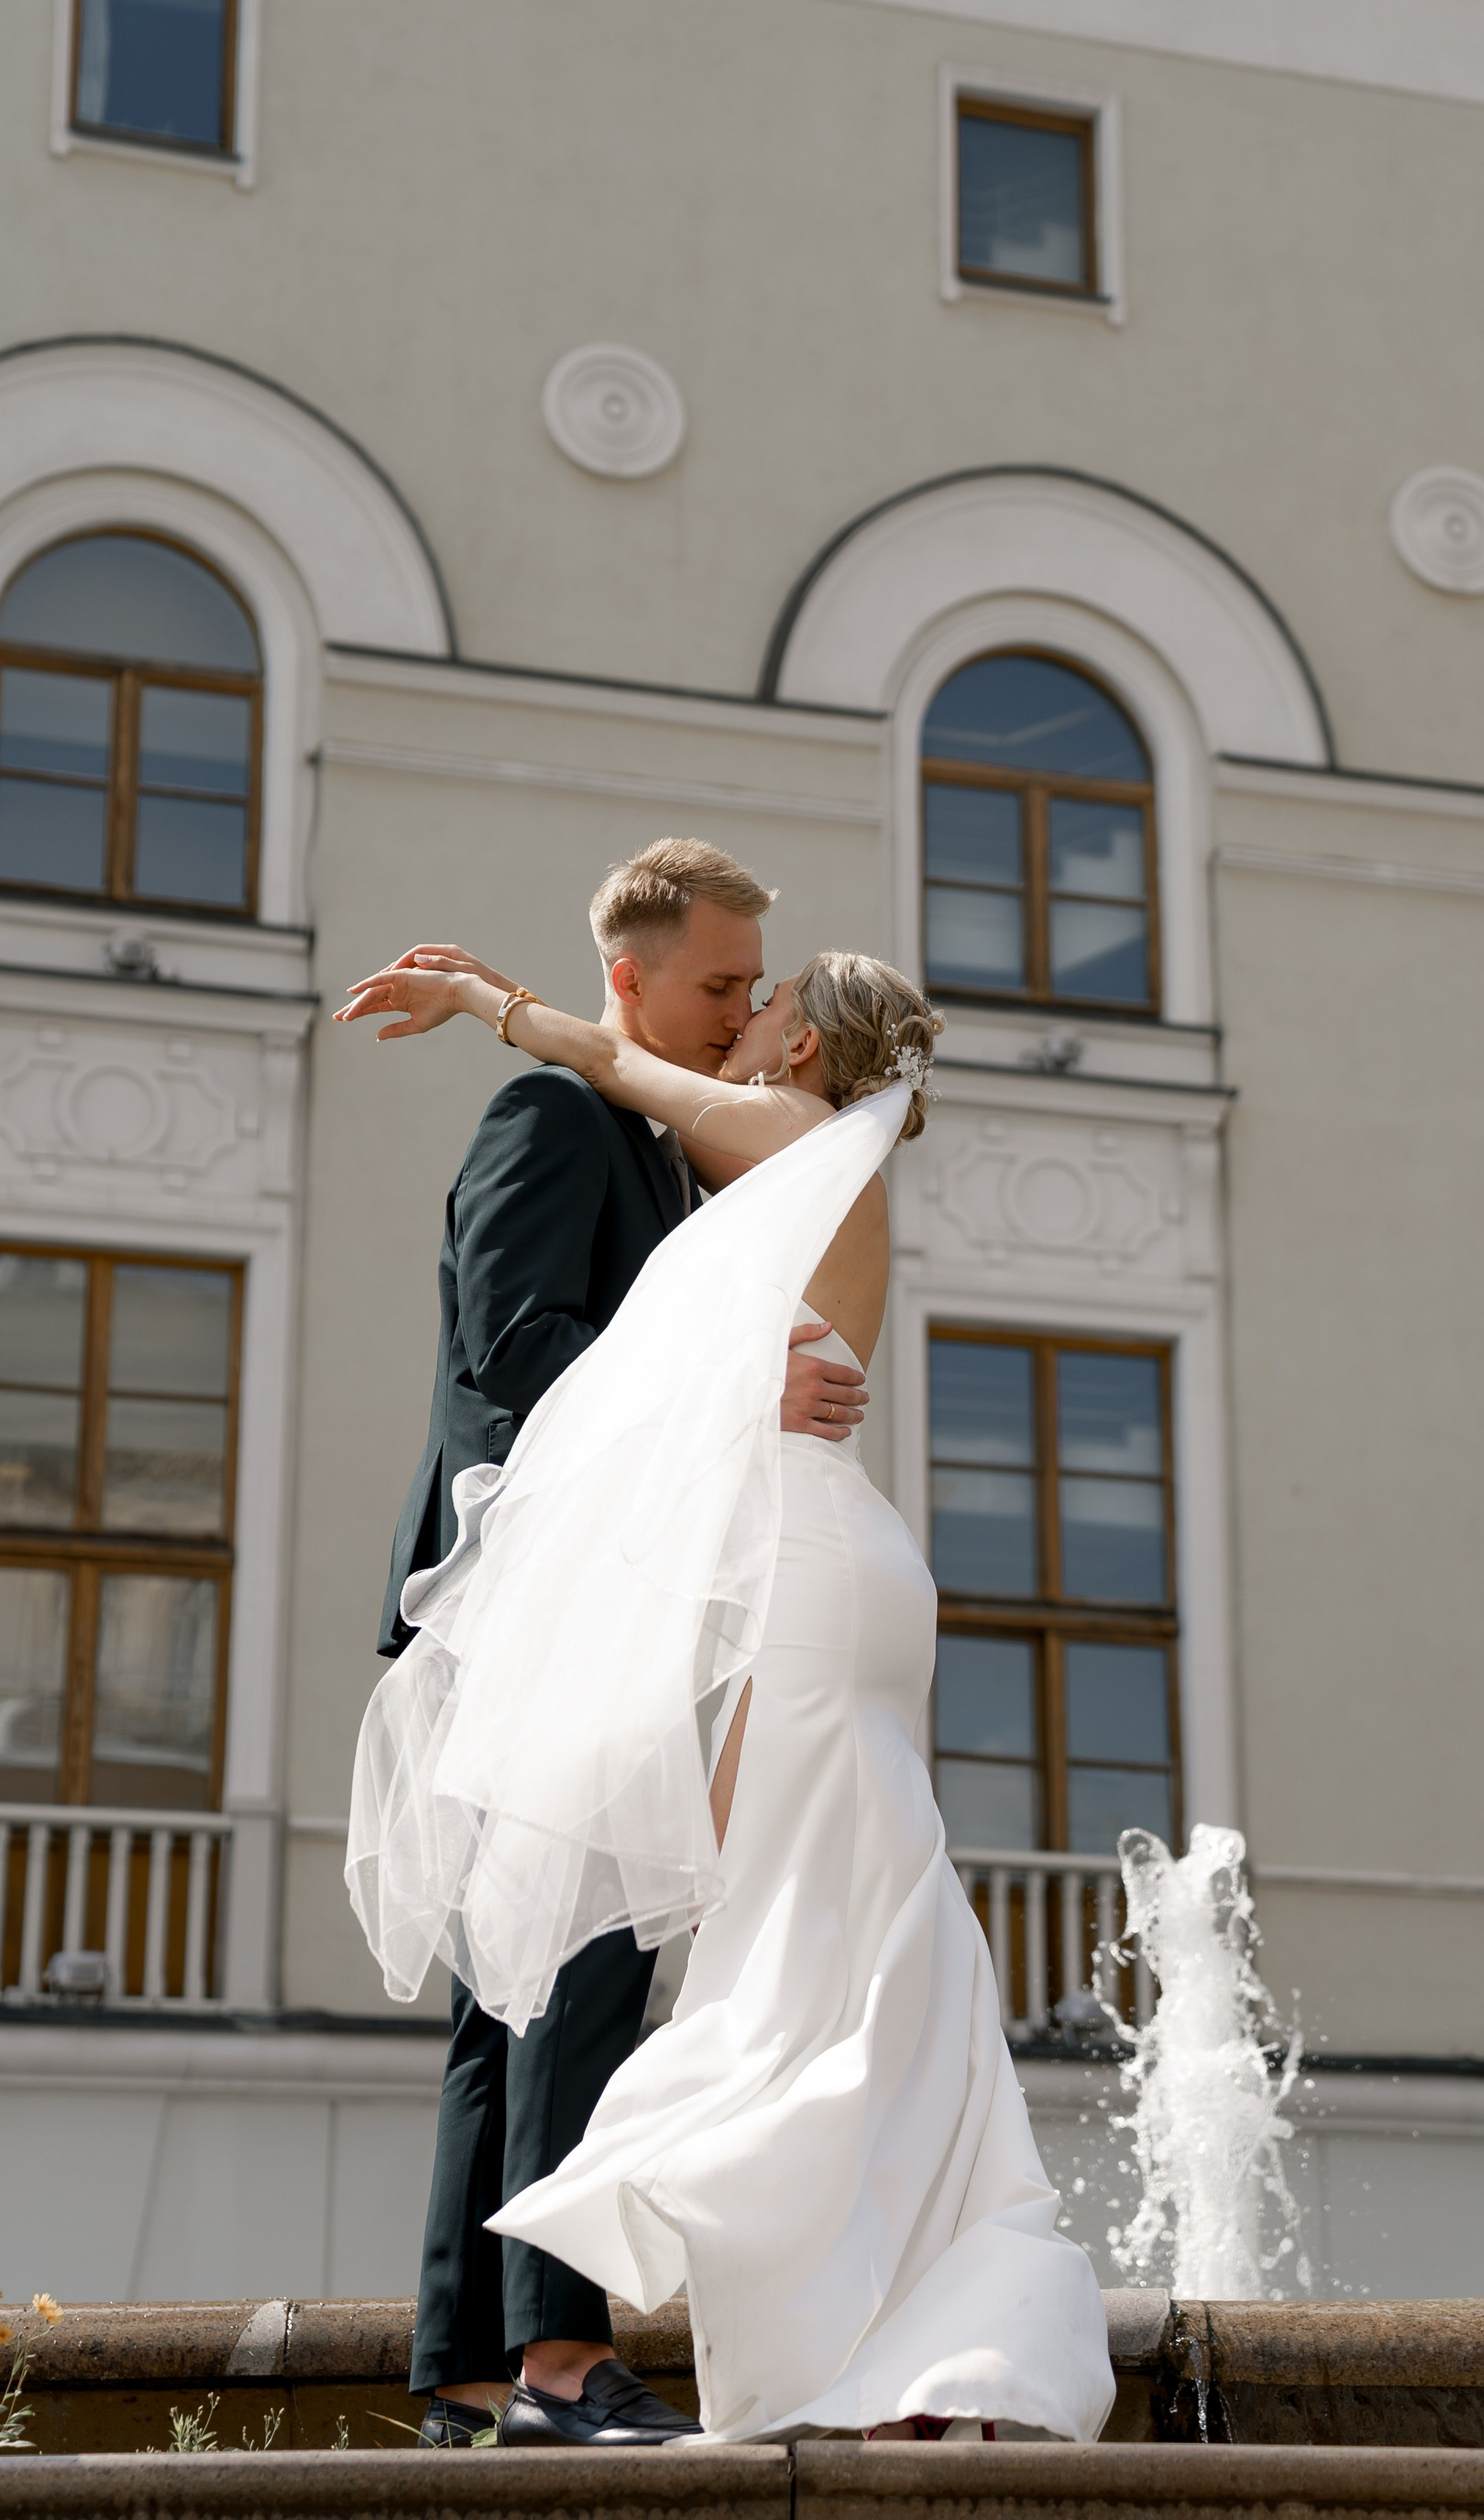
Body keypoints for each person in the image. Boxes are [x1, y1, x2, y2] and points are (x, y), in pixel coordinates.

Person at [338, 942, 1115, 2447]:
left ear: (807, 1041)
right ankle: (899, 2311)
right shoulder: (812, 1165)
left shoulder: (789, 1132)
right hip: (836, 1564)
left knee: (769, 1938)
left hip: (802, 1577)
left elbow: (613, 1061)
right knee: (848, 1928)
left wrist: (485, 1001)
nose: (744, 1020)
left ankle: (770, 2295)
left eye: (766, 1001)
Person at [372, 840, 869, 2450]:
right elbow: (511, 1352)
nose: (738, 1011)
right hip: (527, 1602)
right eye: (719, 984)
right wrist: (743, 1390)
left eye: (751, 986)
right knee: (576, 1973)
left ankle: (469, 2372)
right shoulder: (552, 1117)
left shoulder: (656, 1148)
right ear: (630, 978)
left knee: (511, 1997)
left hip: (587, 1599)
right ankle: (563, 2361)